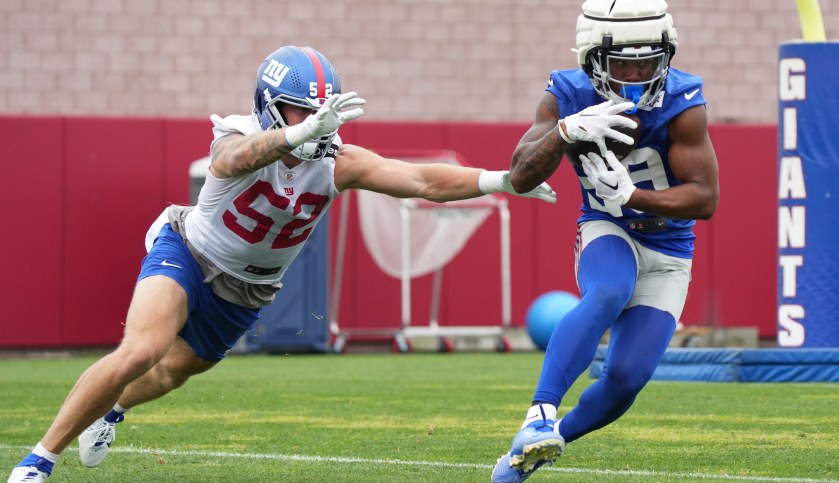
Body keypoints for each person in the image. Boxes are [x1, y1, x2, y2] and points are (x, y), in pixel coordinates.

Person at [6, 45, 556, 483]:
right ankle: (37, 460)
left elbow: (419, 180)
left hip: (248, 289)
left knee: (173, 371)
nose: (316, 119)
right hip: (190, 252)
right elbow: (232, 159)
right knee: (143, 349)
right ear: (271, 106)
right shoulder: (240, 134)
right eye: (301, 108)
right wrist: (294, 135)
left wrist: (502, 181)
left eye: (322, 109)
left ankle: (111, 410)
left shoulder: (337, 162)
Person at [490, 0, 719, 481]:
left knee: (626, 380)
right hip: (606, 227)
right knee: (611, 289)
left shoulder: (683, 103)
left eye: (648, 60)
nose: (637, 74)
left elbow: (705, 199)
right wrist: (565, 132)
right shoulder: (567, 94)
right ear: (593, 58)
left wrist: (635, 194)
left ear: (667, 55)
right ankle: (539, 414)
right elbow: (520, 172)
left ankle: (537, 448)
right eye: (623, 62)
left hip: (671, 250)